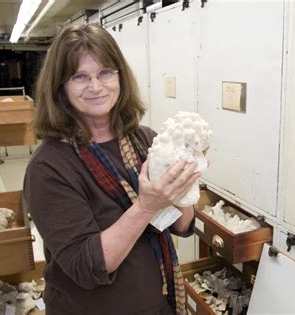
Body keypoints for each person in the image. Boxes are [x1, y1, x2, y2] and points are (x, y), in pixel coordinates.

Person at [24, 23, 201, 315]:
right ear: (60, 87)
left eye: (105, 72)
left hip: (161, 302)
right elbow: (87, 266)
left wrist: (186, 181)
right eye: (80, 77)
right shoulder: (49, 166)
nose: (96, 87)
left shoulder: (144, 139)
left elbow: (180, 225)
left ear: (120, 76)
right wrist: (145, 207)